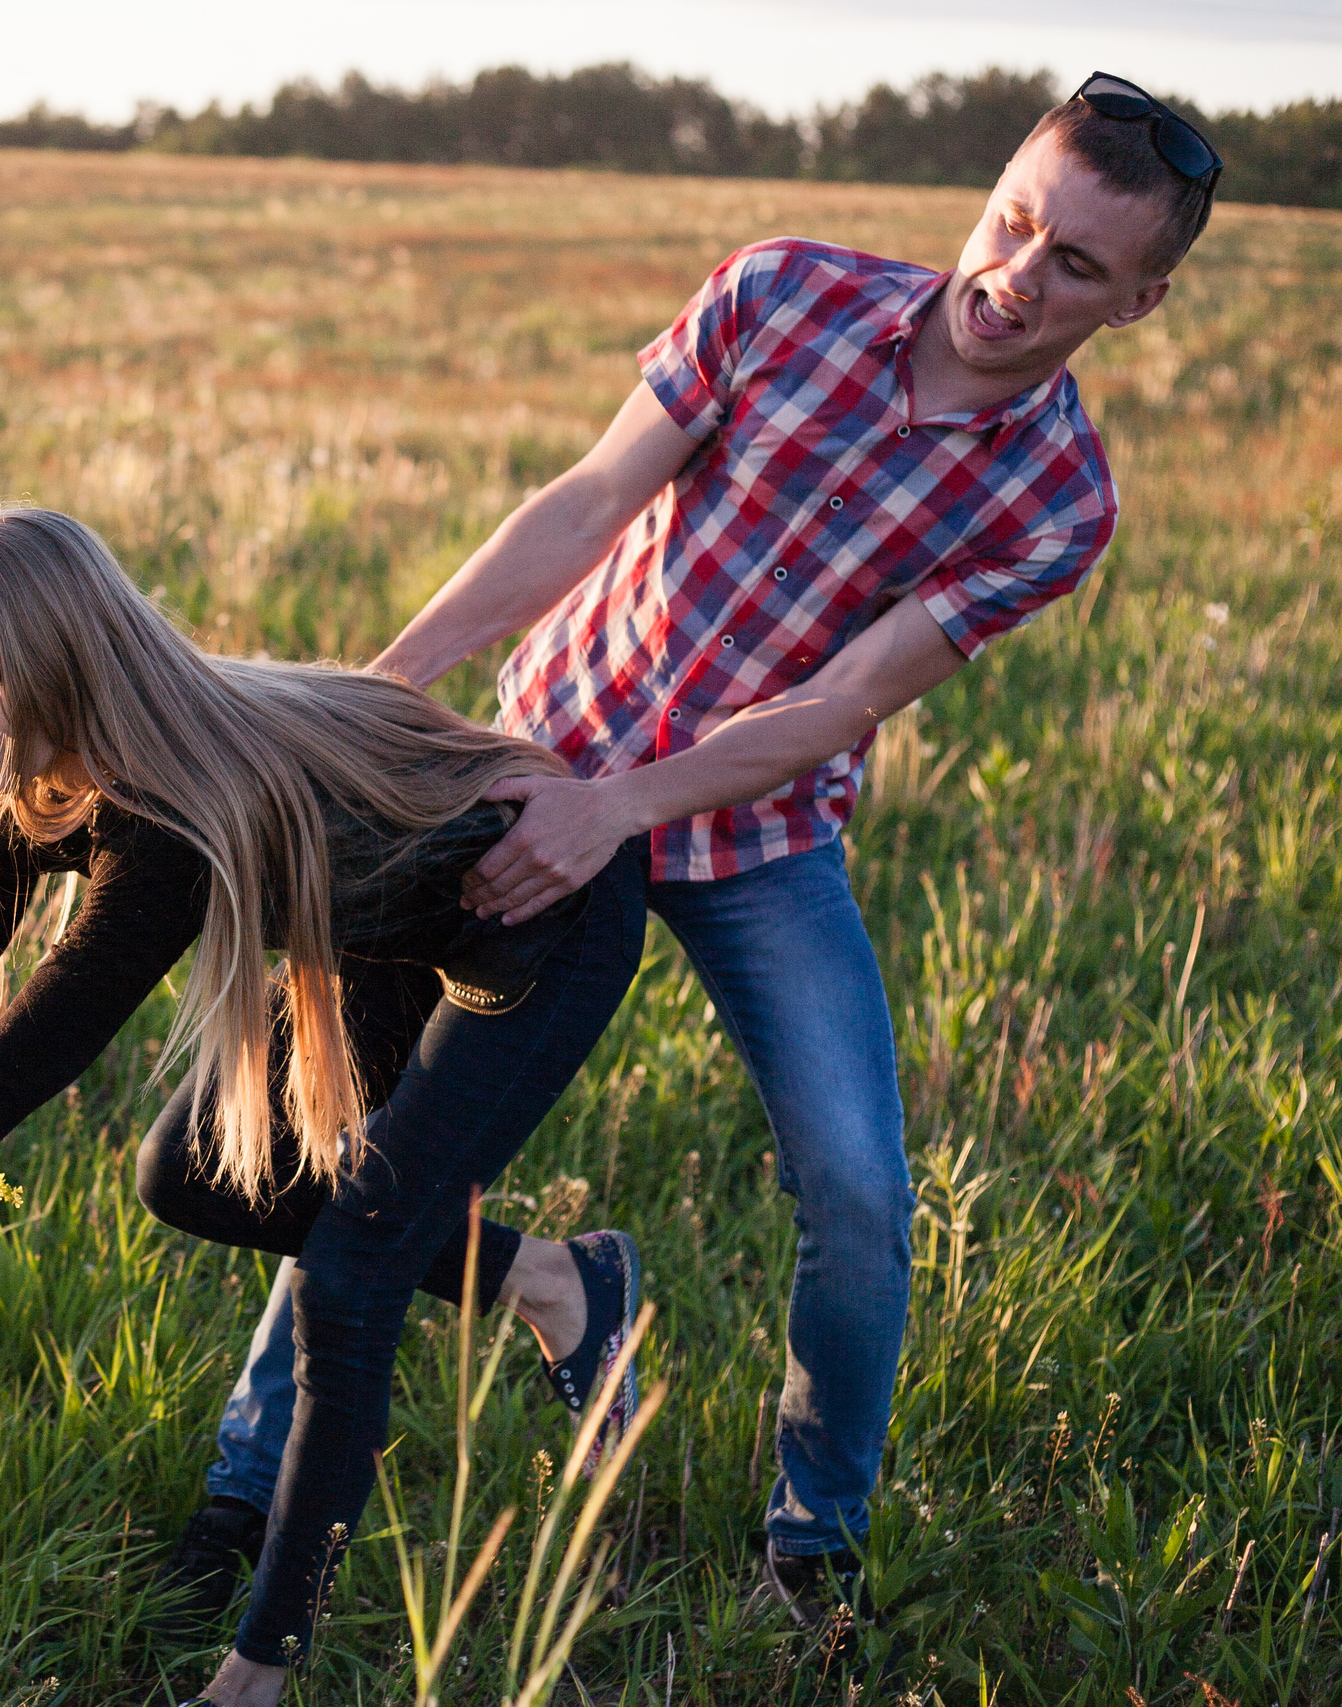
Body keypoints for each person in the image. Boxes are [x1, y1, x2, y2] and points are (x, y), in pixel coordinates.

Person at [171, 73, 1221, 1632]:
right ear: (995, 184)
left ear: (1139, 301)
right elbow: (588, 499)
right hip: (525, 770)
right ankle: (253, 1478)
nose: (1017, 276)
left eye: (1078, 266)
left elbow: (848, 696)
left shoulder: (1056, 499)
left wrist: (622, 806)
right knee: (370, 1119)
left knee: (859, 1190)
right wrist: (389, 693)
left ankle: (816, 1537)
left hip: (755, 842)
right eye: (1015, 220)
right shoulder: (781, 290)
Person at [0, 504, 650, 1705]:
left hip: (538, 918)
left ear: (68, 658)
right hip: (376, 920)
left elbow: (16, 1066)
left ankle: (255, 1673)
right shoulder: (16, 788)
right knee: (189, 1174)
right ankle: (552, 1282)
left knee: (350, 1275)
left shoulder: (160, 807)